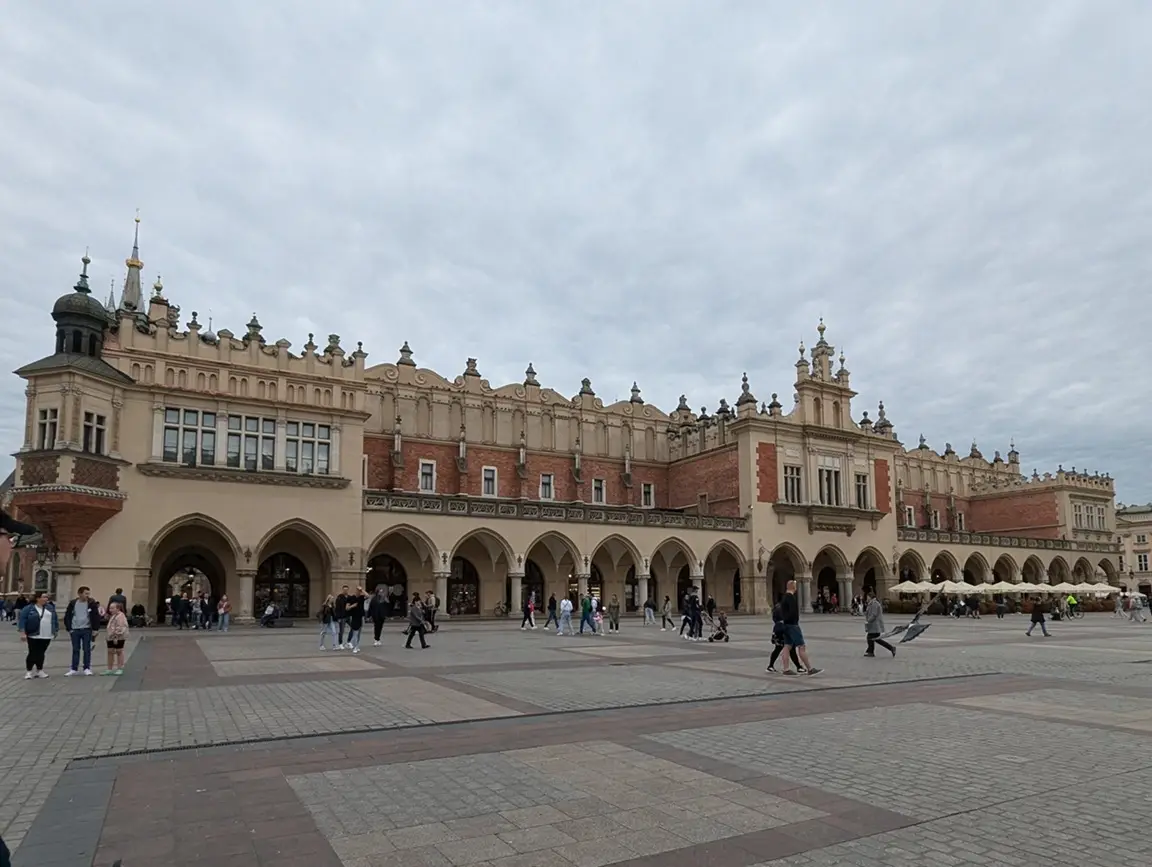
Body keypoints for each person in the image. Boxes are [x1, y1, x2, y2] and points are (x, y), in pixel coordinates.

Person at [779, 580, 820, 676]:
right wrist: (794, 623)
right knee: (801, 646)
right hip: (793, 625)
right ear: (793, 587)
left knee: (787, 646)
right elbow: (793, 613)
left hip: (785, 625)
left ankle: (786, 669)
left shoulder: (784, 597)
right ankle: (810, 668)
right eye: (795, 586)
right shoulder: (791, 598)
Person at [18, 590, 57, 679]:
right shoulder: (29, 608)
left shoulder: (50, 607)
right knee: (32, 653)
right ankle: (29, 671)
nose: (46, 599)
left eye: (47, 597)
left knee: (41, 653)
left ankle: (39, 670)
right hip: (33, 633)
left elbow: (54, 619)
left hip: (46, 634)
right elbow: (22, 620)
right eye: (44, 597)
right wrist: (22, 632)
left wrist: (55, 630)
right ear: (38, 598)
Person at [64, 585, 101, 676]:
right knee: (75, 649)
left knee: (87, 649)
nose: (87, 595)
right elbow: (67, 616)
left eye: (88, 593)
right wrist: (69, 628)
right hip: (75, 629)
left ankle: (87, 668)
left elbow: (96, 616)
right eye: (85, 593)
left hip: (87, 629)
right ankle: (74, 668)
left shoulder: (91, 603)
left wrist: (95, 629)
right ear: (80, 594)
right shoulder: (73, 603)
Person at [863, 589, 896, 657]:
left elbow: (874, 614)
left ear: (870, 597)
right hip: (873, 625)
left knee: (871, 637)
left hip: (875, 625)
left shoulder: (875, 604)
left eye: (867, 597)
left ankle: (870, 651)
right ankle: (871, 651)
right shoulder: (872, 603)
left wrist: (868, 621)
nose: (867, 598)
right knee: (875, 639)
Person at [103, 602, 129, 675]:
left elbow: (120, 627)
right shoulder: (113, 616)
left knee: (119, 651)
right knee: (110, 651)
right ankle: (109, 668)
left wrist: (115, 637)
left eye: (112, 608)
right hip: (110, 637)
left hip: (118, 637)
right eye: (110, 608)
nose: (110, 610)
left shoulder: (120, 616)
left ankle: (120, 668)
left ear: (118, 608)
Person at [345, 587, 366, 652]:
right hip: (354, 617)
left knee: (359, 633)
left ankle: (357, 645)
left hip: (360, 617)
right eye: (358, 590)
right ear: (355, 591)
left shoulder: (361, 598)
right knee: (355, 633)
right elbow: (346, 608)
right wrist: (352, 606)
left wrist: (362, 589)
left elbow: (368, 596)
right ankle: (355, 647)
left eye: (360, 591)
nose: (359, 592)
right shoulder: (351, 598)